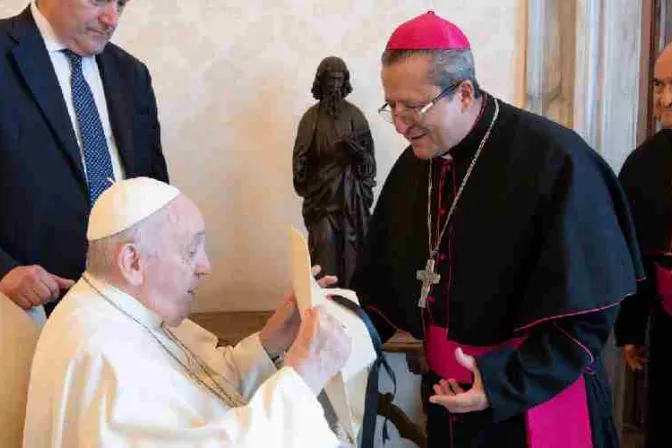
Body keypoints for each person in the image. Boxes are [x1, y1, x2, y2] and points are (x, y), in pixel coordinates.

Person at [351, 11, 643, 448]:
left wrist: (502, 383)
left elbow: (586, 313)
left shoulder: (557, 161)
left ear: (464, 93)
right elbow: (383, 286)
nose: (399, 123)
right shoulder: (418, 165)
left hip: (529, 401)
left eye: (413, 106)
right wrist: (338, 319)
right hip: (448, 402)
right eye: (391, 105)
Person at [23, 177, 351, 448]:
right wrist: (305, 373)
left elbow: (203, 388)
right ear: (132, 262)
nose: (205, 266)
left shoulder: (119, 308)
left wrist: (271, 341)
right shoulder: (100, 352)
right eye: (191, 250)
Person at [0, 0, 169, 315]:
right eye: (98, 0)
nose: (111, 18)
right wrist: (4, 272)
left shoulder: (132, 74)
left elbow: (154, 188)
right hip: (23, 307)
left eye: (120, 4)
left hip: (126, 303)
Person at [614, 41, 672, 448]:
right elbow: (631, 253)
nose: (666, 99)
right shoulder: (642, 163)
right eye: (658, 85)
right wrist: (630, 329)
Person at [293, 56, 376, 288]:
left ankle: (350, 306)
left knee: (352, 253)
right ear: (322, 81)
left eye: (339, 80)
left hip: (350, 200)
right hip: (321, 200)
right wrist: (302, 170)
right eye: (330, 80)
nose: (334, 86)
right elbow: (300, 158)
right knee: (324, 247)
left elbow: (369, 162)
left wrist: (358, 154)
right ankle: (324, 305)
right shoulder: (311, 119)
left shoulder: (355, 117)